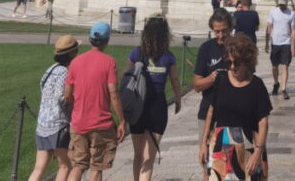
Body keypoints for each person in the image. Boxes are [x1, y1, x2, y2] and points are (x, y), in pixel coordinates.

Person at [199, 34, 272, 181]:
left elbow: (263, 122)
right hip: (220, 147)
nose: (232, 67)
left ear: (247, 61)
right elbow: (211, 112)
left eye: (237, 62)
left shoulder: (257, 86)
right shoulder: (220, 80)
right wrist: (203, 144)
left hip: (248, 149)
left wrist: (258, 152)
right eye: (229, 62)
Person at [64, 21, 126, 181]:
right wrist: (121, 120)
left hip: (78, 122)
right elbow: (113, 93)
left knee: (78, 165)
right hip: (101, 123)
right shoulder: (109, 62)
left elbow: (67, 94)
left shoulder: (75, 62)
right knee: (97, 168)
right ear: (106, 41)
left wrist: (76, 106)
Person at [124, 16, 182, 181]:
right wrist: (178, 100)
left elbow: (125, 76)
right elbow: (175, 81)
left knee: (137, 154)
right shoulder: (168, 57)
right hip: (157, 104)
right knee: (148, 156)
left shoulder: (136, 53)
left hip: (137, 104)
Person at [27, 34, 79, 181]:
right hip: (58, 124)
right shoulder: (65, 72)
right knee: (64, 166)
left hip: (43, 124)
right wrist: (73, 100)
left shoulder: (50, 70)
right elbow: (60, 98)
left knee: (38, 168)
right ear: (71, 53)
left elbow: (43, 90)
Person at [194, 9, 233, 181]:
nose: (220, 35)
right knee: (208, 163)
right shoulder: (206, 48)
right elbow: (196, 85)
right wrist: (211, 78)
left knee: (230, 164)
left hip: (233, 113)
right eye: (216, 31)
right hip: (207, 111)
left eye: (224, 30)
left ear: (230, 28)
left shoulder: (237, 47)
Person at [265, 0, 294, 100]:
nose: (282, 6)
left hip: (286, 42)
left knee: (285, 66)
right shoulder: (273, 11)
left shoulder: (291, 13)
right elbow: (268, 27)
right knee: (274, 66)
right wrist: (266, 43)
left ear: (286, 3)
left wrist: (293, 46)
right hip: (275, 42)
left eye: (283, 4)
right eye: (280, 3)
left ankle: (283, 89)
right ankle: (276, 82)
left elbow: (293, 30)